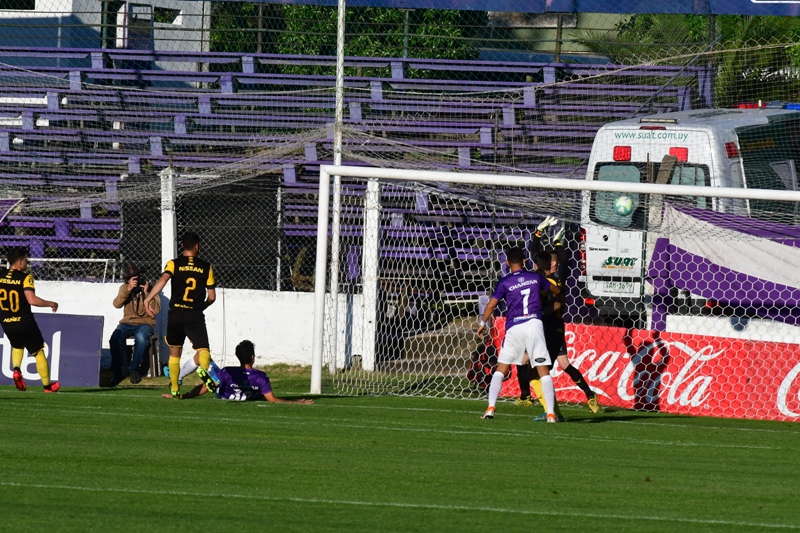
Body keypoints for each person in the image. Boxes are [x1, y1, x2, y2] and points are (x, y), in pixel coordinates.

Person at [476, 247, 559, 422]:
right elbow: (555, 290)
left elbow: (491, 305)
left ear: (507, 263)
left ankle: (491, 407)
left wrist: (482, 323)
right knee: (543, 371)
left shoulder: (505, 282)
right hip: (534, 323)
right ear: (524, 261)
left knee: (501, 369)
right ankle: (551, 413)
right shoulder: (536, 277)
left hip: (514, 326)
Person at [529, 219, 601, 416]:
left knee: (538, 370)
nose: (554, 263)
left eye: (555, 261)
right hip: (549, 327)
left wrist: (539, 234)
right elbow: (541, 257)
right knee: (562, 365)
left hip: (551, 329)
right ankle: (587, 395)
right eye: (551, 262)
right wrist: (553, 240)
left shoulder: (549, 279)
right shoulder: (549, 276)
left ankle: (551, 411)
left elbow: (541, 257)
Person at [145, 231, 217, 398]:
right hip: (194, 313)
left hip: (176, 312)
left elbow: (163, 280)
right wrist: (200, 307)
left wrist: (148, 298)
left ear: (182, 246)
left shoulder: (173, 264)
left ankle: (175, 386)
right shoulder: (206, 267)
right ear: (198, 246)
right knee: (203, 350)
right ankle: (203, 371)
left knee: (174, 351)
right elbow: (212, 297)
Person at [162, 340, 314, 404]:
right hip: (245, 394)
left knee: (200, 356)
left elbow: (202, 389)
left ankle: (179, 379)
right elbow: (272, 400)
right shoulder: (261, 377)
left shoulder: (228, 371)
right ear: (253, 357)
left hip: (222, 391)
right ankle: (210, 382)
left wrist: (182, 396)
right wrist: (296, 402)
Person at [0, 247, 60, 392]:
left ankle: (16, 369)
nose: (27, 262)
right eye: (26, 259)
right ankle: (47, 386)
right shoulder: (26, 277)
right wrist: (51, 303)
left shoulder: (0, 274)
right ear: (20, 261)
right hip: (24, 321)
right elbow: (32, 300)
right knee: (38, 351)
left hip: (6, 322)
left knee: (17, 345)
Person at [109, 263, 160, 386]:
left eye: (137, 277)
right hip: (127, 322)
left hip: (145, 323)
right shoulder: (124, 288)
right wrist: (129, 289)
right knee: (114, 339)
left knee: (141, 338)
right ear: (128, 279)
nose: (136, 280)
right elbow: (116, 304)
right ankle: (119, 371)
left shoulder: (152, 289)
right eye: (133, 278)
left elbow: (157, 309)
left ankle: (134, 369)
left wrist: (147, 293)